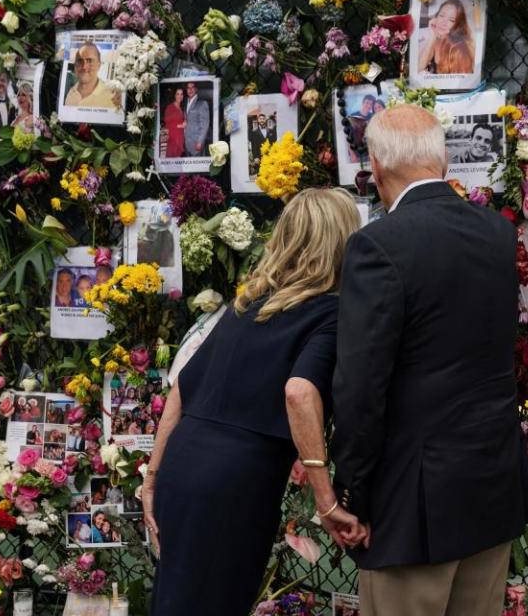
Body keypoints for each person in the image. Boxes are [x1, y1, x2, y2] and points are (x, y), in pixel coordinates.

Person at [331, 104, 528, 615]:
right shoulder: (496, 231)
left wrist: (351, 494)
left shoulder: (377, 245)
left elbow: (360, 385)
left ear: (376, 167)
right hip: (491, 482)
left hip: (413, 499)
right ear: (444, 160)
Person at [144, 188, 364, 616]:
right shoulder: (328, 313)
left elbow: (181, 388)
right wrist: (327, 501)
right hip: (233, 484)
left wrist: (152, 478)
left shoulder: (249, 304)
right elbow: (299, 392)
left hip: (183, 466)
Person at [417, 0, 475, 75]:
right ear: (436, 17)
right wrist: (432, 36)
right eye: (441, 16)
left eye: (451, 20)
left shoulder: (459, 50)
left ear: (457, 25)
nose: (444, 22)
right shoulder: (432, 41)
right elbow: (418, 70)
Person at [64, 43, 122, 109]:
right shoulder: (71, 93)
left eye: (89, 61)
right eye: (80, 61)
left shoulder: (111, 97)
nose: (84, 67)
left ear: (99, 65)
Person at [183, 81, 211, 157]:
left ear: (196, 89)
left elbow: (205, 125)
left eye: (192, 87)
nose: (190, 90)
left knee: (198, 168)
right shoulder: (185, 103)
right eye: (188, 88)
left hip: (196, 144)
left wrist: (200, 142)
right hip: (186, 144)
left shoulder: (202, 103)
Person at [162, 86, 186, 158]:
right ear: (175, 95)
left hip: (179, 139)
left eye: (181, 94)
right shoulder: (170, 107)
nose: (179, 96)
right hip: (172, 140)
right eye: (177, 94)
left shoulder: (182, 108)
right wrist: (180, 126)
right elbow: (167, 123)